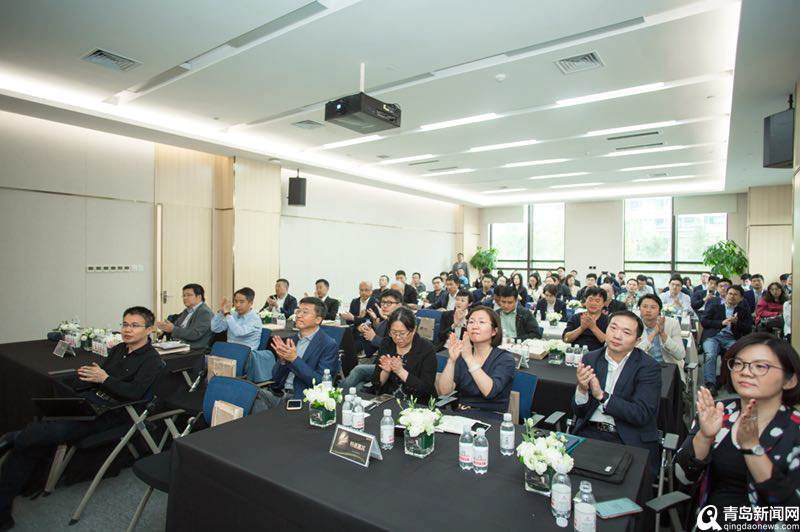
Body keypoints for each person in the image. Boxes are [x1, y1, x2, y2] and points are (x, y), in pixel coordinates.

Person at [0, 307, 163, 528]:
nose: (127, 330)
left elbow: (134, 393)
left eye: (135, 326)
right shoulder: (118, 349)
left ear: (149, 330)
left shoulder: (152, 360)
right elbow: (101, 376)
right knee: (33, 438)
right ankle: (3, 507)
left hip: (114, 412)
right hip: (91, 401)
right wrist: (91, 376)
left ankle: (13, 439)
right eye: (125, 324)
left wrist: (104, 379)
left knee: (40, 434)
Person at [674, 334, 800, 523]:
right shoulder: (719, 412)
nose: (746, 372)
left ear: (789, 380)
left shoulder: (794, 429)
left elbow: (792, 512)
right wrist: (704, 437)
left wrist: (751, 448)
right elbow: (682, 477)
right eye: (739, 364)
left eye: (760, 366)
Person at [572, 310, 662, 470]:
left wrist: (602, 396)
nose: (617, 336)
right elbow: (579, 412)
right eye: (613, 328)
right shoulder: (591, 358)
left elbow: (641, 414)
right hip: (589, 433)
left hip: (628, 438)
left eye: (626, 332)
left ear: (637, 340)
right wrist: (582, 389)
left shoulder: (648, 367)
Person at [437, 306, 516, 413]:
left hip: (490, 416)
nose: (475, 326)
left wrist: (469, 358)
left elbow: (489, 392)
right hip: (462, 413)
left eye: (481, 322)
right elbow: (444, 391)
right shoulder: (463, 355)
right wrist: (451, 360)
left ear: (494, 331)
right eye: (471, 322)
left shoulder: (505, 359)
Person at [264, 297, 339, 406]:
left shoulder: (328, 344)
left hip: (302, 399)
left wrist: (294, 359)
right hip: (279, 394)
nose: (299, 315)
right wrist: (283, 361)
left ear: (318, 320)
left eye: (305, 312)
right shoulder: (292, 340)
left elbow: (320, 383)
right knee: (250, 394)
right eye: (298, 311)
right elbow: (275, 378)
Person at [370, 307, 437, 403]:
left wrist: (400, 371)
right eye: (393, 332)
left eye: (402, 333)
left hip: (416, 404)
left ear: (414, 330)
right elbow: (376, 383)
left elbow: (426, 388)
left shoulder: (426, 349)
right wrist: (385, 371)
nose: (397, 337)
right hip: (389, 401)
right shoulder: (387, 343)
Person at [341, 290, 404, 391]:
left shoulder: (403, 325)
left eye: (389, 303)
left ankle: (336, 395)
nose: (384, 306)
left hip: (396, 365)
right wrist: (365, 334)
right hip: (378, 365)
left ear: (399, 305)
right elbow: (370, 352)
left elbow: (396, 348)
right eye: (383, 302)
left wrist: (374, 338)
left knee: (359, 369)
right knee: (359, 387)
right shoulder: (382, 325)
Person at [701, 285, 753, 394]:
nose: (732, 296)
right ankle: (710, 384)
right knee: (710, 355)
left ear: (741, 298)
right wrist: (721, 323)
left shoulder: (743, 310)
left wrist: (736, 322)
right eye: (730, 294)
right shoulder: (715, 306)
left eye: (735, 295)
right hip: (713, 336)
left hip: (731, 337)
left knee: (734, 356)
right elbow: (704, 321)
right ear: (726, 295)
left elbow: (748, 328)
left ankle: (727, 381)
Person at [637, 294, 686, 380]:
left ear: (659, 310)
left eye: (653, 307)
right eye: (644, 306)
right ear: (639, 309)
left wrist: (663, 334)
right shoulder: (634, 325)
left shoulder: (672, 324)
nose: (648, 310)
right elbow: (634, 354)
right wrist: (654, 333)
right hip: (643, 370)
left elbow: (680, 355)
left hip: (668, 368)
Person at [156, 283, 214, 350]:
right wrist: (165, 326)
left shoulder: (205, 312)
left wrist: (172, 329)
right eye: (183, 295)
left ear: (199, 297)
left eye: (189, 295)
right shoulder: (187, 311)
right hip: (179, 345)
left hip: (195, 349)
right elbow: (176, 327)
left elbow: (195, 334)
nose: (185, 298)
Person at [563, 286, 608, 351]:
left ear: (604, 303)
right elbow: (566, 339)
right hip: (576, 353)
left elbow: (608, 343)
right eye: (590, 300)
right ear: (585, 301)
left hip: (598, 354)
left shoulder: (608, 320)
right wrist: (581, 328)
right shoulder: (575, 318)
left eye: (597, 301)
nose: (593, 303)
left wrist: (593, 327)